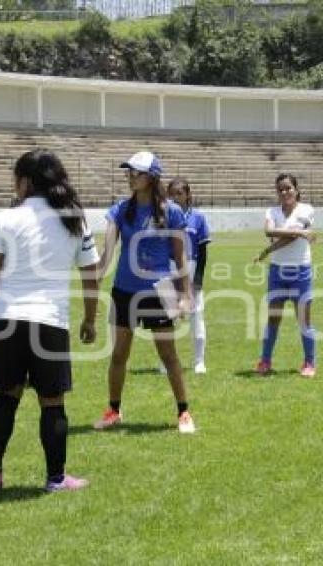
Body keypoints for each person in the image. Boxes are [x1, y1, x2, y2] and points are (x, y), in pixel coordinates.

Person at [0, 149, 99, 493]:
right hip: (50, 322)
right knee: (52, 402)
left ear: (26, 181)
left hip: (8, 320)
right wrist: (90, 319)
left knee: (6, 397)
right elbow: (91, 276)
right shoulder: (74, 220)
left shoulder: (7, 219)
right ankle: (56, 478)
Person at [92, 151, 196, 434]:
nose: (131, 177)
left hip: (159, 291)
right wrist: (95, 280)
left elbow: (181, 257)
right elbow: (107, 252)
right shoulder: (119, 210)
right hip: (124, 290)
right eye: (129, 172)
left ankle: (183, 412)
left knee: (169, 355)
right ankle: (113, 410)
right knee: (118, 355)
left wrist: (186, 295)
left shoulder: (172, 212)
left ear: (151, 177)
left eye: (136, 172)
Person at [254, 173, 317, 378]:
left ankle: (309, 363)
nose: (284, 192)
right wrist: (301, 233)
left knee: (304, 321)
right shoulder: (271, 211)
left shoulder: (306, 209)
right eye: (280, 189)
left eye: (288, 188)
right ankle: (265, 361)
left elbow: (286, 238)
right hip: (277, 271)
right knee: (273, 319)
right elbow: (269, 232)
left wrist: (268, 250)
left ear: (296, 190)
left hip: (300, 270)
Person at [167, 177, 211, 374]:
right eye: (172, 194)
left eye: (179, 193)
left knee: (196, 314)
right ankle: (166, 361)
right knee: (169, 317)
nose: (175, 197)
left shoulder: (198, 218)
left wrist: (198, 279)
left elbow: (202, 251)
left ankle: (199, 361)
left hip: (191, 267)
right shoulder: (164, 217)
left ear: (188, 195)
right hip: (169, 267)